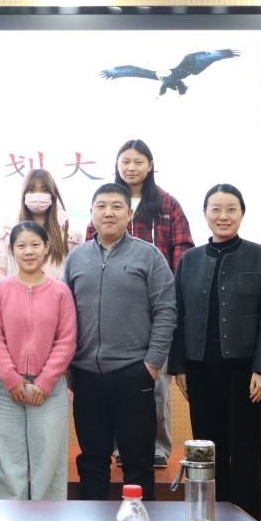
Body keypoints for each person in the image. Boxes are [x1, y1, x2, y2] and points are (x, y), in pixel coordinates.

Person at [169, 184, 261, 521]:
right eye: (215, 209)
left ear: (242, 213)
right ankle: (211, 517)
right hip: (200, 371)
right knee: (208, 452)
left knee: (245, 451)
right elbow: (178, 316)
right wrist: (179, 367)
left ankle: (246, 519)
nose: (223, 216)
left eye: (231, 209)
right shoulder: (189, 260)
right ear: (205, 214)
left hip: (246, 373)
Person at [63, 183, 176, 501]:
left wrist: (151, 365)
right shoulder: (76, 258)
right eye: (101, 206)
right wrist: (70, 368)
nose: (108, 213)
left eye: (116, 206)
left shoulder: (149, 256)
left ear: (129, 213)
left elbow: (166, 311)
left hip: (134, 373)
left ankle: (140, 520)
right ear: (91, 213)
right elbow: (64, 314)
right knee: (92, 462)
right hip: (87, 375)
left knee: (138, 463)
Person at [87, 139, 193, 468]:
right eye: (125, 161)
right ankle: (122, 447)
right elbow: (91, 251)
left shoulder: (168, 205)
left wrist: (169, 300)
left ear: (150, 165)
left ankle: (158, 446)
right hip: (114, 309)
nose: (131, 167)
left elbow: (182, 253)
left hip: (154, 308)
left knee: (155, 383)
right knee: (114, 385)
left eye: (138, 161)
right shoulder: (106, 202)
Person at [0, 221, 76, 500]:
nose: (28, 251)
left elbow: (66, 340)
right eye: (21, 245)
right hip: (7, 389)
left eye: (35, 244)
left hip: (49, 390)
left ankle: (47, 518)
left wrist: (45, 381)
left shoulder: (60, 291)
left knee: (48, 464)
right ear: (12, 250)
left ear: (47, 247)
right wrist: (11, 379)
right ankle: (8, 517)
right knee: (7, 466)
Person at [0, 168, 82, 283]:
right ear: (24, 194)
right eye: (31, 190)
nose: (38, 195)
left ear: (53, 194)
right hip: (14, 293)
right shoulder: (9, 229)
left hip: (56, 293)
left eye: (44, 190)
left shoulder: (69, 231)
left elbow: (78, 273)